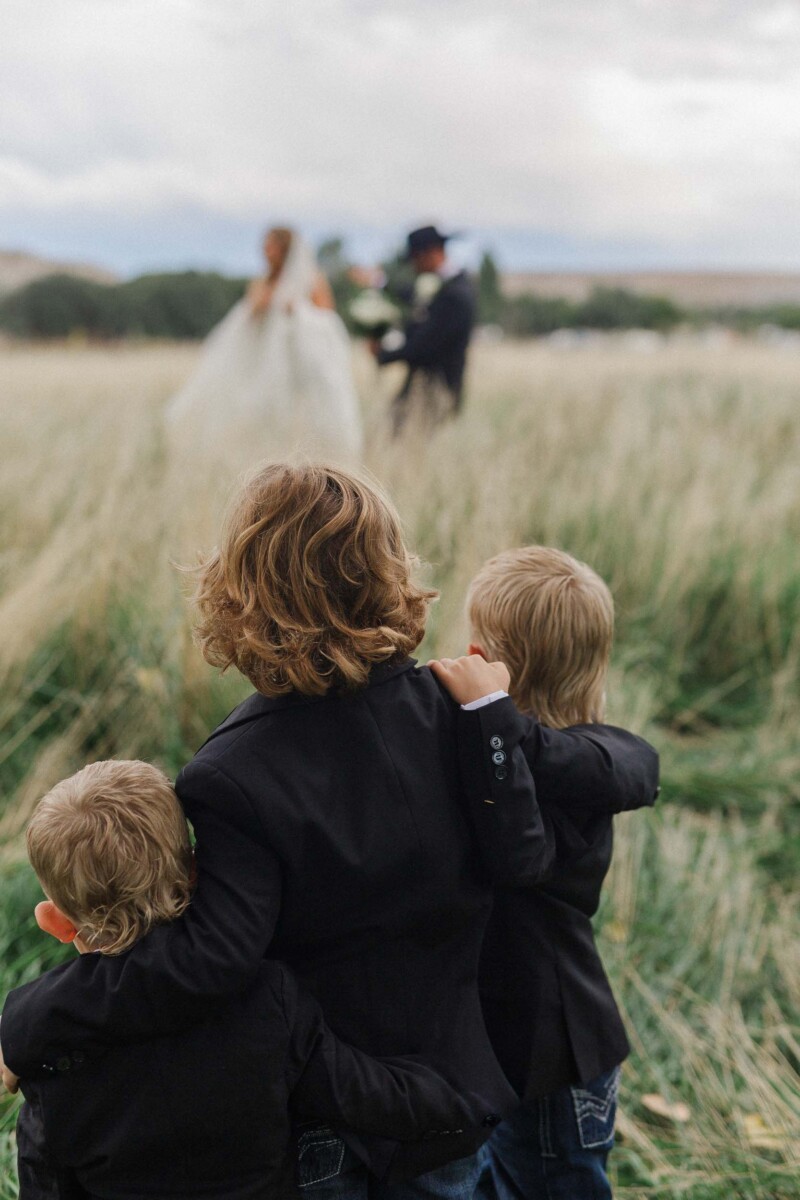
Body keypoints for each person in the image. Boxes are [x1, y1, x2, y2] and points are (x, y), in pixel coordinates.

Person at [1, 465, 658, 1199]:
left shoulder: (229, 775)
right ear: (388, 573)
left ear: (241, 594)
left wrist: (30, 1019)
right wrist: (498, 720)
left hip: (325, 1124)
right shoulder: (462, 718)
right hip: (453, 1100)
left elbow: (212, 959)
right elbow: (565, 816)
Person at [14, 759, 506, 1200]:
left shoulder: (50, 1054)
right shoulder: (266, 995)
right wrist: (463, 1098)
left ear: (55, 922)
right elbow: (360, 1093)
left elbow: (47, 1182)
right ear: (195, 873)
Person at [432, 546, 661, 1200]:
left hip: (557, 1054)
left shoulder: (584, 768)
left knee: (557, 1186)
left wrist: (493, 720)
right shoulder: (537, 761)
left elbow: (524, 842)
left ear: (487, 663)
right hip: (517, 1047)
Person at [167, 227, 362, 460]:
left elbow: (327, 320)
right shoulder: (262, 281)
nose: (265, 251)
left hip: (302, 361)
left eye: (270, 246)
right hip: (267, 363)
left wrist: (297, 311)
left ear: (284, 249)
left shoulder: (311, 279)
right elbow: (248, 320)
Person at [373, 226, 476, 434]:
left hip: (436, 391)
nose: (414, 267)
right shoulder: (445, 288)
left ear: (430, 254)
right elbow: (410, 296)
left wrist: (384, 354)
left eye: (415, 259)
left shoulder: (456, 295)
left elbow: (425, 346)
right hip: (419, 389)